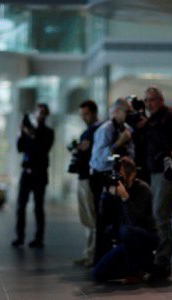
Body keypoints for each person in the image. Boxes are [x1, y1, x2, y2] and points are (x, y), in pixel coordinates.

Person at [143, 86, 172, 280]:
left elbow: (169, 142)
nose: (149, 104)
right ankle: (158, 261)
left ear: (161, 100)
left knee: (161, 214)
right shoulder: (153, 119)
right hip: (156, 171)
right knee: (156, 215)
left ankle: (162, 264)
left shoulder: (169, 117)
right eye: (146, 101)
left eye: (152, 100)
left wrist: (149, 126)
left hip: (169, 171)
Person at [92, 157, 159, 283]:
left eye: (121, 175)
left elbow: (135, 221)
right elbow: (104, 218)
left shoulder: (143, 189)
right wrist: (105, 195)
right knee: (97, 274)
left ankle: (138, 269)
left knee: (127, 231)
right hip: (126, 241)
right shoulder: (115, 188)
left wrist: (125, 198)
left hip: (146, 237)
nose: (119, 179)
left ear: (132, 174)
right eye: (117, 175)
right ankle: (139, 268)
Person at [90, 98, 134, 263]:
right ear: (116, 112)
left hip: (118, 177)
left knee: (119, 220)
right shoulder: (105, 129)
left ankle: (115, 260)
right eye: (127, 112)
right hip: (102, 176)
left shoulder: (127, 129)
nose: (130, 115)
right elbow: (100, 159)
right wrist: (118, 143)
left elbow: (131, 154)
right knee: (103, 222)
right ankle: (100, 260)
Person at [12, 104, 54, 248]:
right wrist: (21, 132)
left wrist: (30, 134)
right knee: (20, 207)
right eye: (39, 112)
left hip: (40, 174)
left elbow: (43, 149)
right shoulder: (28, 130)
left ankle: (39, 238)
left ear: (46, 115)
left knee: (38, 207)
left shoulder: (48, 132)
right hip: (26, 173)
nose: (41, 115)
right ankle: (19, 236)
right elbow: (19, 148)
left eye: (43, 113)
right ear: (35, 113)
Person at [73, 100, 102, 267]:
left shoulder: (98, 130)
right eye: (82, 115)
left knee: (92, 217)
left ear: (94, 112)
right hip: (83, 176)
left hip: (90, 178)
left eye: (86, 114)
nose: (84, 118)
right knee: (86, 218)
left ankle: (93, 254)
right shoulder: (89, 131)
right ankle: (89, 252)